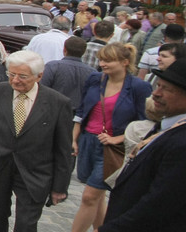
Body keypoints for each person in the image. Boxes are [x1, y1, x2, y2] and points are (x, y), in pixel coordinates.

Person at [0, 50, 74, 232]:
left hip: (35, 172)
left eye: (22, 76)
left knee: (26, 225)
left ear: (39, 76)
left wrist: (60, 186)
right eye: (11, 74)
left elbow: (63, 148)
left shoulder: (57, 103)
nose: (15, 80)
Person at [69, 43, 151, 232]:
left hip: (112, 148)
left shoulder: (139, 87)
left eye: (108, 60)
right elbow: (82, 110)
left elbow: (145, 123)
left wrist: (118, 138)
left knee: (89, 196)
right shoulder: (95, 79)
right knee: (96, 196)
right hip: (88, 140)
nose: (103, 64)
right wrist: (74, 138)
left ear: (124, 62)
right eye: (101, 59)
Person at [98, 60, 186, 231]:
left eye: (166, 89)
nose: (156, 93)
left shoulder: (181, 142)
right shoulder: (166, 126)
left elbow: (160, 202)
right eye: (158, 86)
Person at [40, 36, 95, 117]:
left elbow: (41, 89)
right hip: (77, 117)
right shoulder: (92, 72)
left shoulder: (53, 66)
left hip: (51, 112)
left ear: (64, 49)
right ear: (83, 52)